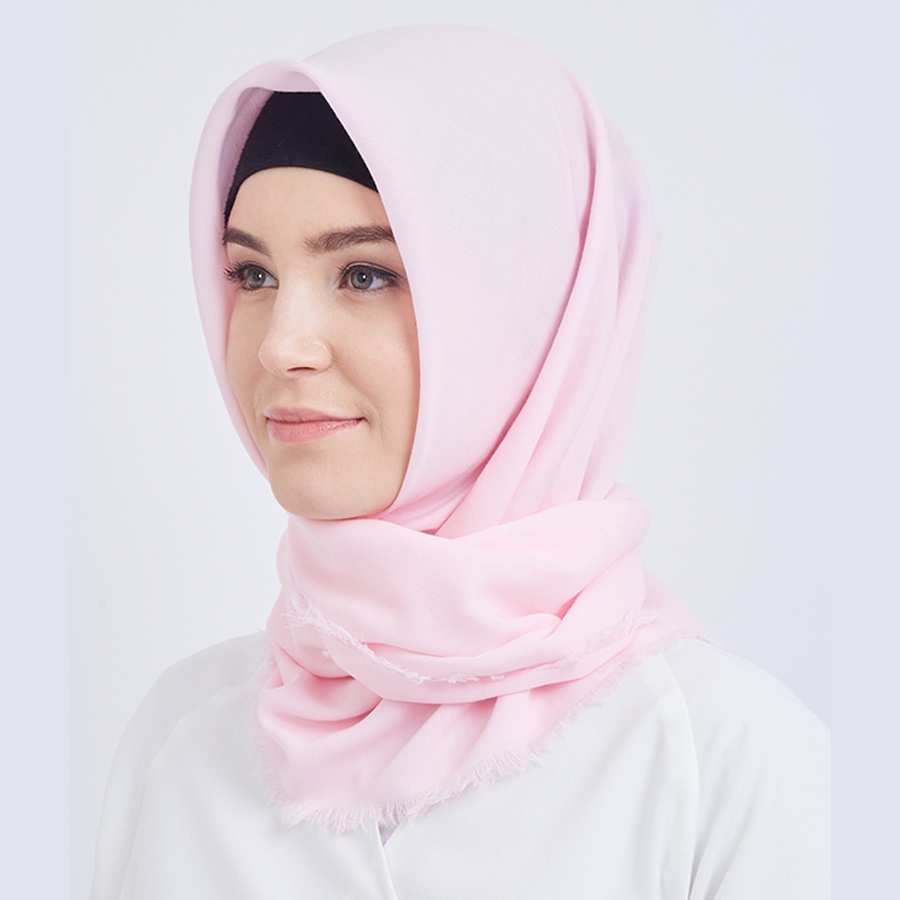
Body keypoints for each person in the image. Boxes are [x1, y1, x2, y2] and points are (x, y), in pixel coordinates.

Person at [89, 24, 829, 899]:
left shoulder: (720, 759)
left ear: (529, 317)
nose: (280, 345)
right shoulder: (181, 743)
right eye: (252, 276)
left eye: (364, 275)